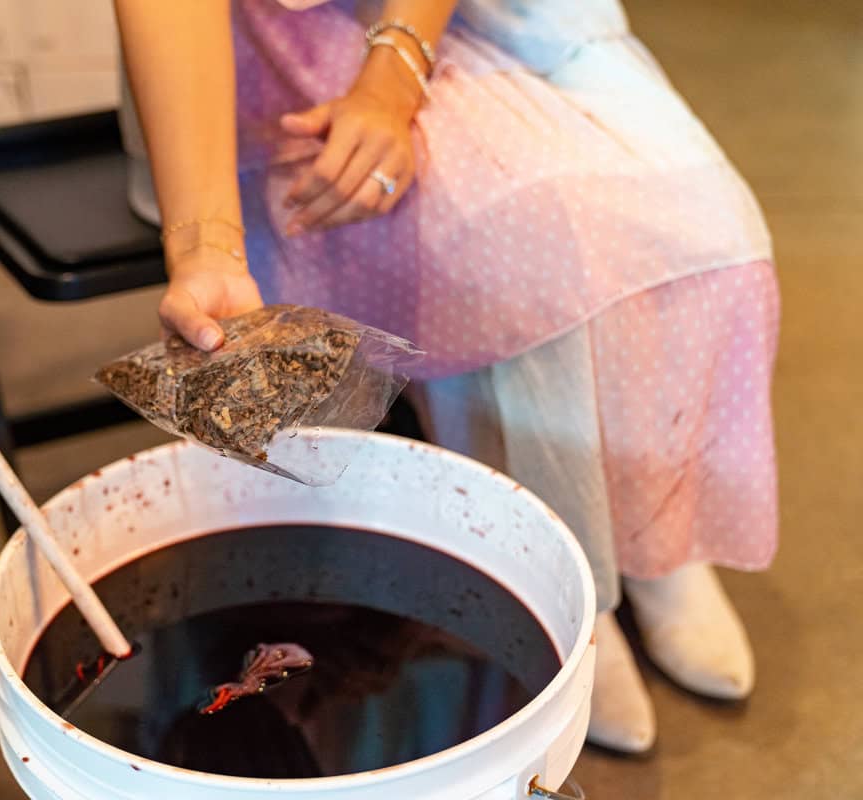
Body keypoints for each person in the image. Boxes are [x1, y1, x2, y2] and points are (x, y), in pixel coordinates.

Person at [113, 0, 779, 753]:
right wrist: (207, 248)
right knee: (512, 240)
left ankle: (655, 531)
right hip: (264, 47)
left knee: (706, 224)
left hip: (464, 19)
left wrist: (394, 75)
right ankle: (562, 578)